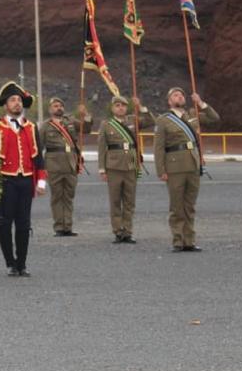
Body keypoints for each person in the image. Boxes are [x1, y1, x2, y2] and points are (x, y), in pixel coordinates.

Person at [0, 81, 46, 276]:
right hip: (5, 181)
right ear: (5, 105)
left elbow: (38, 156)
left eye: (19, 100)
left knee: (24, 223)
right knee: (5, 222)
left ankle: (22, 263)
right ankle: (10, 262)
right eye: (12, 100)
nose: (17, 103)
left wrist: (41, 180)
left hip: (26, 179)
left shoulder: (31, 127)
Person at [152, 87, 219, 252]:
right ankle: (177, 240)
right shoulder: (164, 120)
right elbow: (158, 148)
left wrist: (201, 103)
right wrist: (161, 170)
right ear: (169, 101)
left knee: (189, 205)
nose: (179, 97)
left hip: (193, 165)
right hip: (174, 166)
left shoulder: (192, 115)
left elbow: (214, 118)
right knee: (177, 206)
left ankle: (189, 241)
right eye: (175, 95)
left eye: (181, 95)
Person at [41, 97, 92, 237]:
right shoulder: (45, 126)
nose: (59, 108)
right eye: (55, 106)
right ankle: (59, 227)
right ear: (50, 109)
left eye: (61, 105)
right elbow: (39, 147)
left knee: (69, 196)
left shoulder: (70, 122)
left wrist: (85, 114)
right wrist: (41, 167)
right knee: (57, 197)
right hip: (53, 164)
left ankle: (68, 226)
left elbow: (86, 129)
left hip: (70, 164)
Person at [97, 96, 144, 243]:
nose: (121, 108)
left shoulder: (133, 121)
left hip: (130, 164)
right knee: (116, 201)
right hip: (114, 166)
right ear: (112, 108)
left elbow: (150, 121)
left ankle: (128, 231)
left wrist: (140, 107)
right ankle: (118, 231)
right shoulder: (106, 124)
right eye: (117, 105)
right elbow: (101, 148)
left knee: (129, 201)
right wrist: (102, 169)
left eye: (123, 105)